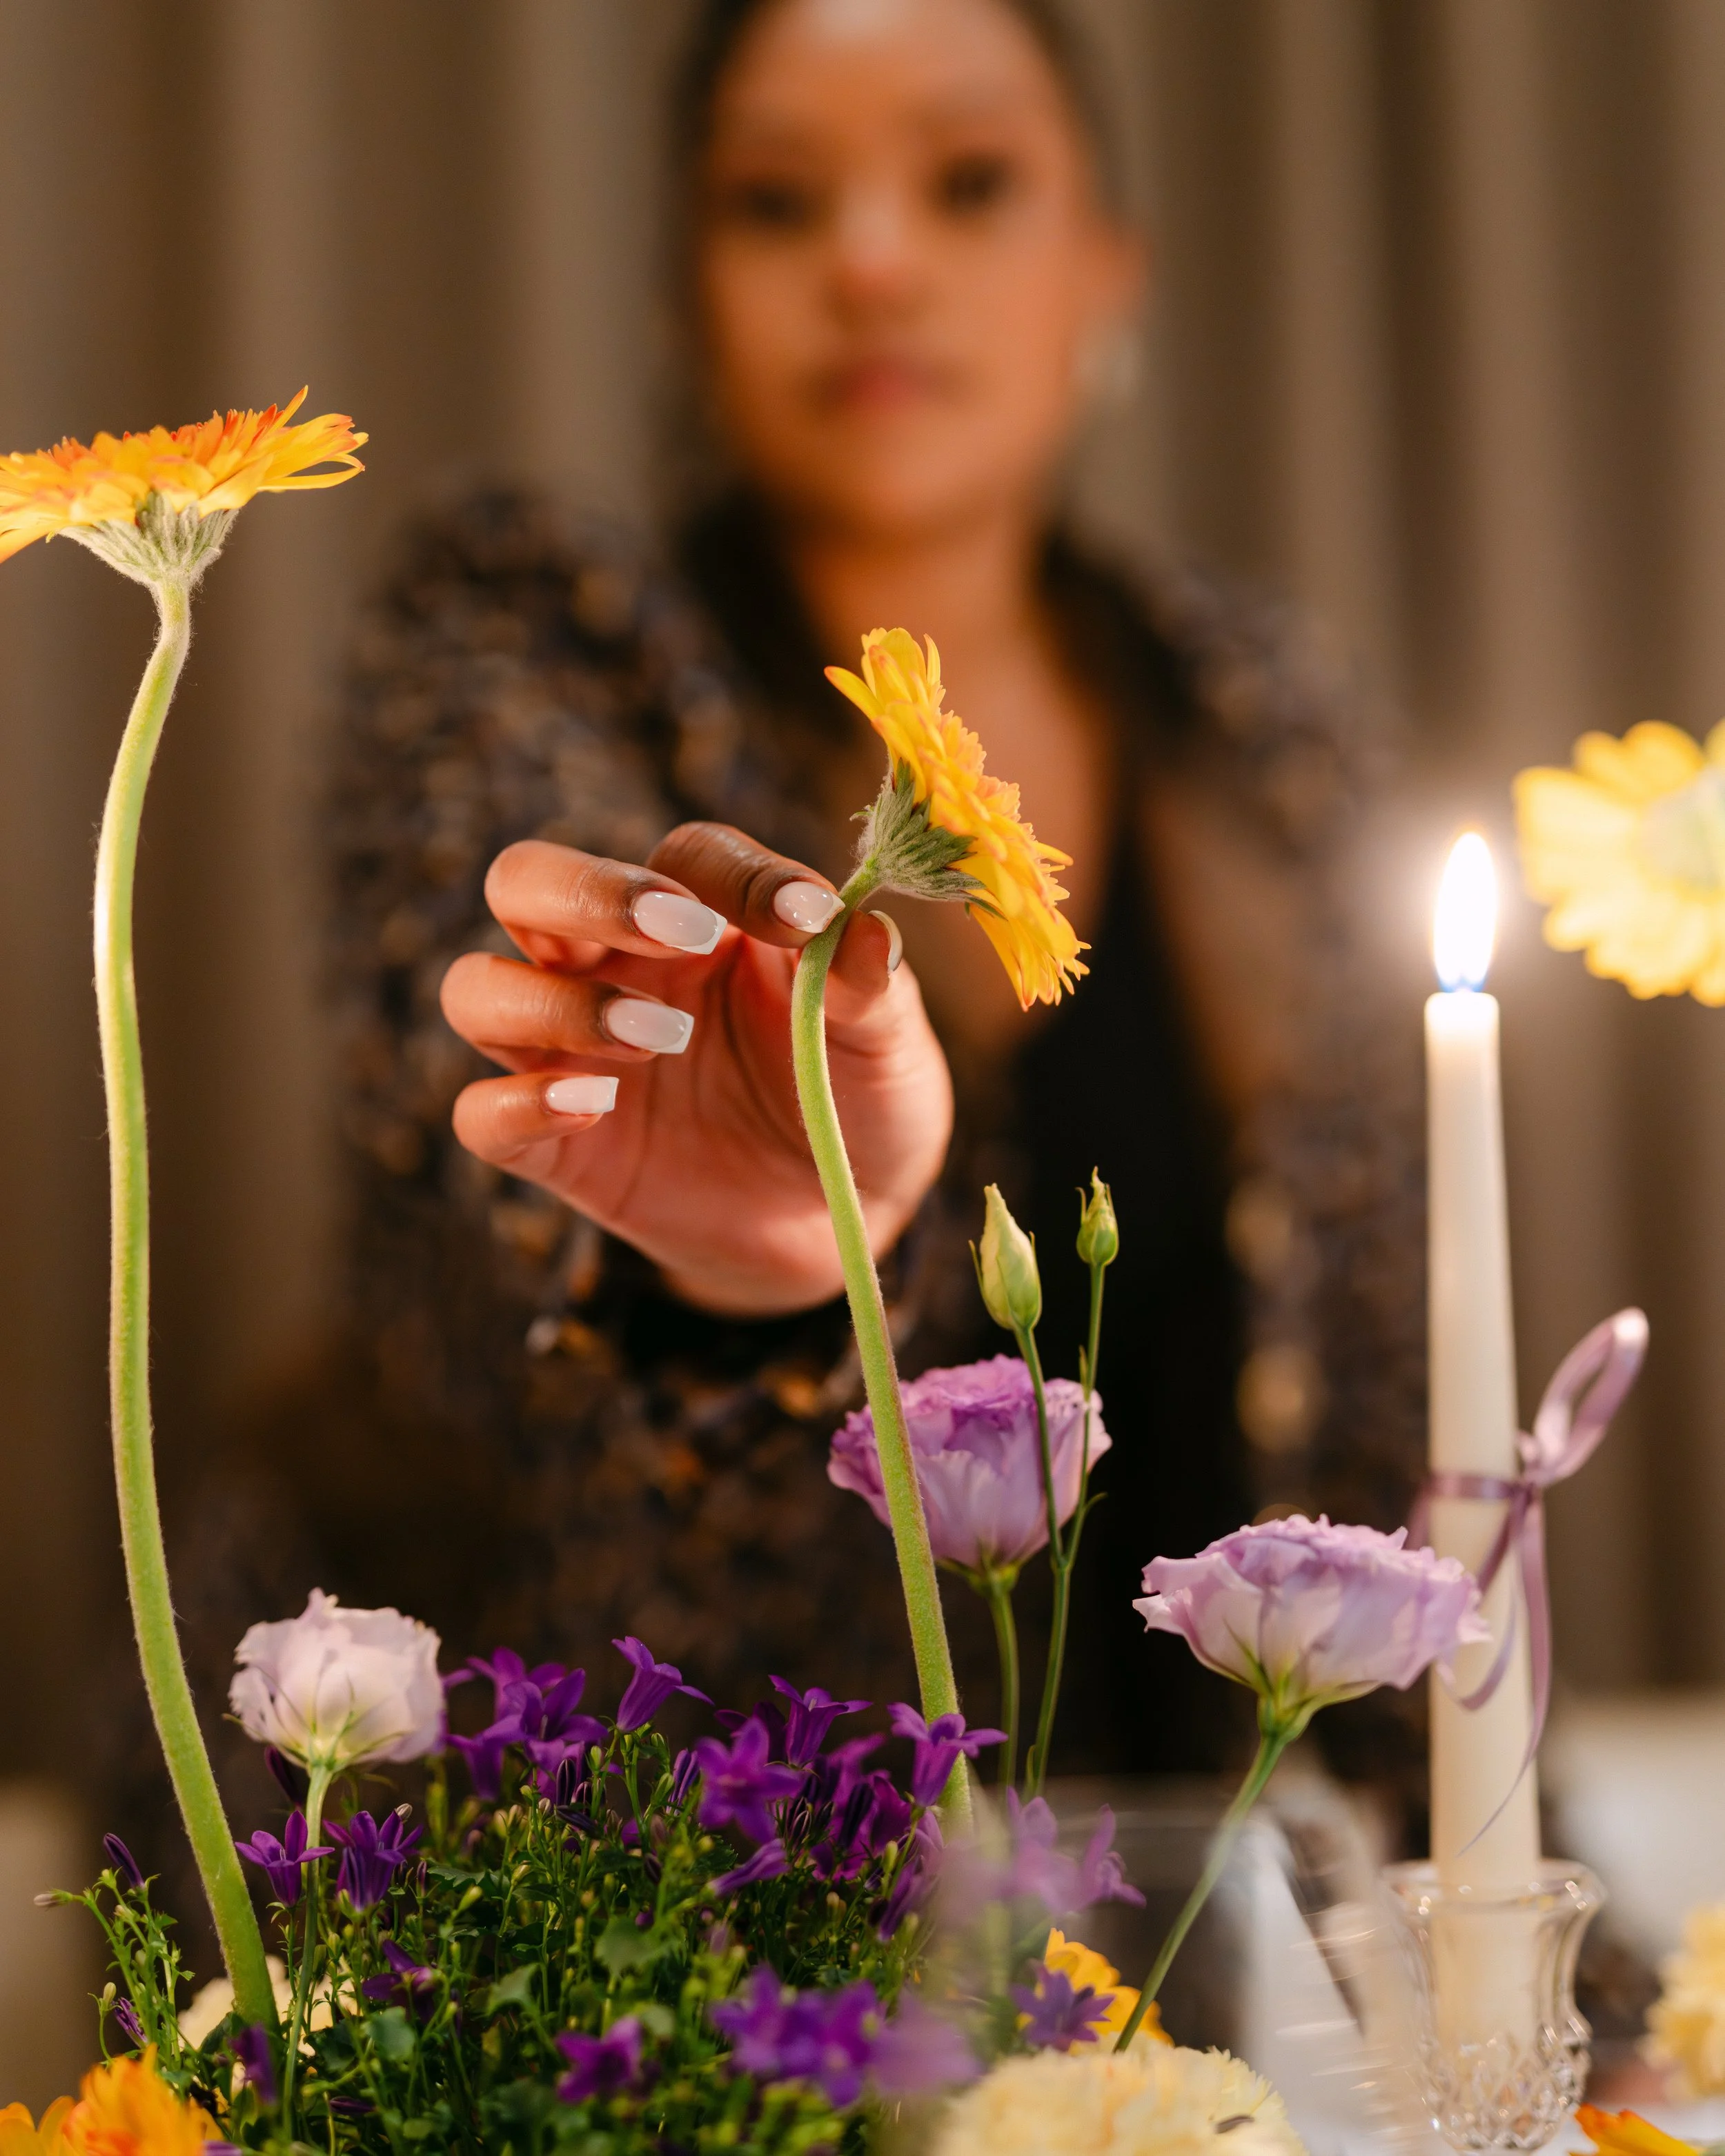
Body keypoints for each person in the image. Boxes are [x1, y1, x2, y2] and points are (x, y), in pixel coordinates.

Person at [172, 0, 1423, 1816]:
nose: (871, 259)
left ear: (1105, 275)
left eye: (968, 182)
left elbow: (1390, 1446)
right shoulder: (536, 637)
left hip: (1176, 1931)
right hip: (604, 1897)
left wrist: (1530, 1969)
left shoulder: (1264, 728)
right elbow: (498, 1179)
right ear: (685, 294)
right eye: (777, 202)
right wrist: (733, 1268)